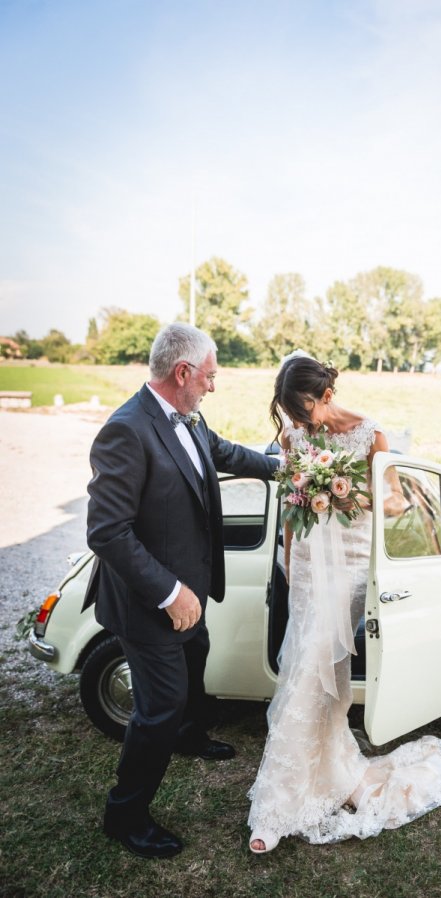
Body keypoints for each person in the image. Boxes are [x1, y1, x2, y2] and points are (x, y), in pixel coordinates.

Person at [248, 355, 441, 853]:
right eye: (293, 413)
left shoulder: (370, 432)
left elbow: (395, 501)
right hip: (308, 566)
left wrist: (353, 491)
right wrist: (289, 563)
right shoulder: (292, 439)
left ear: (326, 394)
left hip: (351, 563)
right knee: (307, 667)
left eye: (305, 410)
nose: (302, 422)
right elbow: (291, 505)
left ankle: (275, 805)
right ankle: (331, 769)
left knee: (312, 663)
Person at [85, 322, 279, 859]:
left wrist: (278, 467)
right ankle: (125, 814)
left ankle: (190, 738)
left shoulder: (188, 416)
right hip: (149, 601)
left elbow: (220, 452)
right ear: (183, 372)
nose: (214, 386)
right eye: (211, 376)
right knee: (159, 706)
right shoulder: (126, 429)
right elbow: (107, 532)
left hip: (191, 589)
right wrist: (170, 593)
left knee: (198, 655)